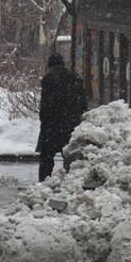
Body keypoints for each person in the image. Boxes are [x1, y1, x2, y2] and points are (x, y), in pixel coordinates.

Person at [36, 53, 87, 181]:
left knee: (46, 158)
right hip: (70, 125)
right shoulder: (75, 78)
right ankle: (71, 180)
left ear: (50, 65)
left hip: (51, 125)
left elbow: (45, 104)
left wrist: (45, 120)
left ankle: (44, 181)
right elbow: (83, 103)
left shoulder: (48, 79)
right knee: (70, 155)